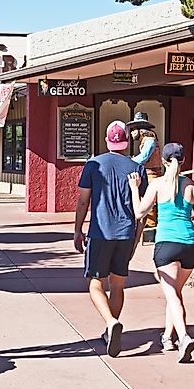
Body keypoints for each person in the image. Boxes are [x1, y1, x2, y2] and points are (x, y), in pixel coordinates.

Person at [128, 142, 194, 363]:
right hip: (190, 245)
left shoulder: (157, 185)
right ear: (184, 161)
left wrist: (133, 189)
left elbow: (140, 211)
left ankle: (184, 337)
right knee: (174, 294)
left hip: (166, 245)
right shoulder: (193, 187)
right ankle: (168, 337)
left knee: (173, 296)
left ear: (164, 162)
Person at [75, 120, 147, 358]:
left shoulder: (94, 164)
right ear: (127, 142)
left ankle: (110, 321)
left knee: (95, 283)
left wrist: (77, 229)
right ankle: (109, 329)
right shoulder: (137, 169)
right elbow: (142, 210)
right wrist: (137, 238)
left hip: (100, 233)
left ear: (107, 140)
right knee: (118, 285)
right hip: (125, 233)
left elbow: (83, 200)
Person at [126, 112, 161, 238]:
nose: (131, 133)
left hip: (152, 175)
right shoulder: (146, 140)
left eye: (133, 130)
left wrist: (129, 161)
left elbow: (144, 156)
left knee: (149, 204)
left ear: (139, 129)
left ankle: (150, 232)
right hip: (147, 173)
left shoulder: (150, 140)